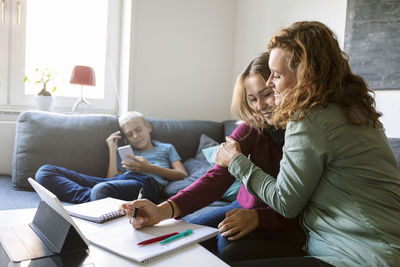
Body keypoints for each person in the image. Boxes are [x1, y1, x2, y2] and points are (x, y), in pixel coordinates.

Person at [215, 21, 400, 267]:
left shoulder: (309, 117)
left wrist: (236, 162)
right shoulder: (352, 107)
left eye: (277, 75)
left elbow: (285, 202)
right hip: (363, 243)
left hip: (360, 255)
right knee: (231, 254)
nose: (269, 82)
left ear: (305, 76)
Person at [121, 53, 304, 263]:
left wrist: (260, 218)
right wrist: (161, 211)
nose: (260, 106)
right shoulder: (253, 126)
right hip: (243, 206)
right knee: (184, 237)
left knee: (225, 246)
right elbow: (216, 178)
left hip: (281, 219)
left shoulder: (303, 135)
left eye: (267, 94)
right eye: (253, 98)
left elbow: (303, 203)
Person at [35, 111, 188, 204]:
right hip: (120, 181)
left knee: (101, 190)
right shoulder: (127, 153)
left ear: (148, 127)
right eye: (129, 134)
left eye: (138, 130)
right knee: (45, 172)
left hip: (148, 185)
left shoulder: (166, 148)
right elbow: (112, 178)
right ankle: (95, 199)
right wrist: (112, 151)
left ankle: (96, 198)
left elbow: (182, 175)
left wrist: (148, 168)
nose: (135, 136)